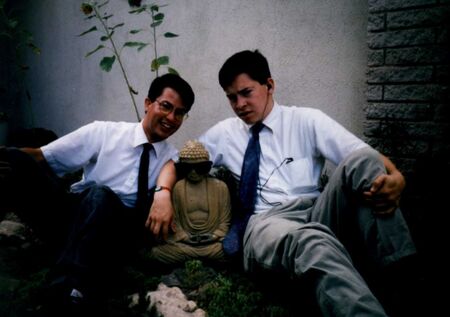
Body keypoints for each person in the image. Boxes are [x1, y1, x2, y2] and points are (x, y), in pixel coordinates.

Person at [153, 50, 418, 316]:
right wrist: (163, 193)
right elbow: (177, 163)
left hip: (317, 212)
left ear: (269, 85)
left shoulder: (306, 120)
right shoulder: (225, 132)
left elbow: (366, 157)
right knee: (312, 241)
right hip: (267, 224)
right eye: (231, 97)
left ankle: (399, 279)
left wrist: (397, 177)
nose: (239, 104)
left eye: (246, 92)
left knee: (364, 161)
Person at [0, 73, 195, 314]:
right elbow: (43, 156)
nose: (171, 118)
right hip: (70, 216)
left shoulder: (170, 157)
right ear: (147, 103)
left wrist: (163, 193)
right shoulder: (104, 133)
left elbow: (172, 170)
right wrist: (10, 156)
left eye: (179, 113)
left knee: (101, 196)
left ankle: (67, 291)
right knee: (13, 160)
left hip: (113, 233)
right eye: (166, 106)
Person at [149, 140, 231, 265]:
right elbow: (174, 222)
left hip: (213, 243)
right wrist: (186, 237)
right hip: (186, 243)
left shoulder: (220, 187)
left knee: (230, 250)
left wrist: (214, 236)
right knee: (157, 253)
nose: (193, 172)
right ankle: (203, 260)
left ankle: (196, 260)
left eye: (199, 168)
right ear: (182, 169)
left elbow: (225, 221)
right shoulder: (178, 188)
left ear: (207, 167)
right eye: (188, 168)